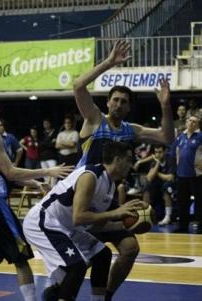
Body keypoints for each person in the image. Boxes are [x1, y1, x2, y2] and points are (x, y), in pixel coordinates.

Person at [73, 40, 175, 300]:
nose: (119, 104)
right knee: (80, 261)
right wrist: (108, 63)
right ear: (107, 103)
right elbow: (78, 86)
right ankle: (61, 290)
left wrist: (164, 106)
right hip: (81, 202)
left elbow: (166, 137)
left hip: (108, 204)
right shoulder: (95, 120)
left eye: (124, 102)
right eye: (115, 100)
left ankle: (106, 295)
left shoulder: (132, 130)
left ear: (129, 107)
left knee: (129, 248)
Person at [0, 93, 72, 301]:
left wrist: (35, 183)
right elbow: (10, 172)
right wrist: (47, 172)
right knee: (21, 255)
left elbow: (2, 174)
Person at [24, 142, 144, 301]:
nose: (131, 164)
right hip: (44, 222)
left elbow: (95, 226)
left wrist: (126, 225)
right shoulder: (90, 176)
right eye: (128, 160)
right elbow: (79, 217)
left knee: (103, 254)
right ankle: (58, 292)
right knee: (77, 266)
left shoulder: (110, 186)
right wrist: (115, 213)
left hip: (66, 226)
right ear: (117, 160)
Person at [173, 115, 202, 233]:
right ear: (186, 123)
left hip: (197, 175)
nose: (191, 123)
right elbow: (177, 152)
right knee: (182, 202)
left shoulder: (201, 136)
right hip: (182, 174)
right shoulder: (181, 136)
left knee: (200, 202)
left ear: (198, 124)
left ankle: (201, 225)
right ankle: (183, 226)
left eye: (194, 122)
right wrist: (177, 167)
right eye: (189, 121)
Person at [143, 144, 175, 225]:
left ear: (165, 152)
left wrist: (156, 173)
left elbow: (170, 177)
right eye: (156, 152)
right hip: (159, 184)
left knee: (166, 186)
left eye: (160, 152)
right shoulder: (155, 161)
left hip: (173, 184)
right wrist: (157, 163)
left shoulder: (170, 159)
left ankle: (168, 217)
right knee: (147, 187)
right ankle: (145, 215)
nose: (157, 154)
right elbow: (149, 178)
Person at [40, 118, 58, 186]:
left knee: (54, 174)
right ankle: (47, 192)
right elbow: (40, 145)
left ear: (50, 124)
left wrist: (46, 144)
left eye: (47, 123)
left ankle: (54, 190)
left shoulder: (55, 132)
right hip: (43, 157)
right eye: (44, 123)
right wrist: (49, 143)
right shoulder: (42, 133)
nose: (45, 125)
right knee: (45, 175)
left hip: (52, 157)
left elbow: (54, 145)